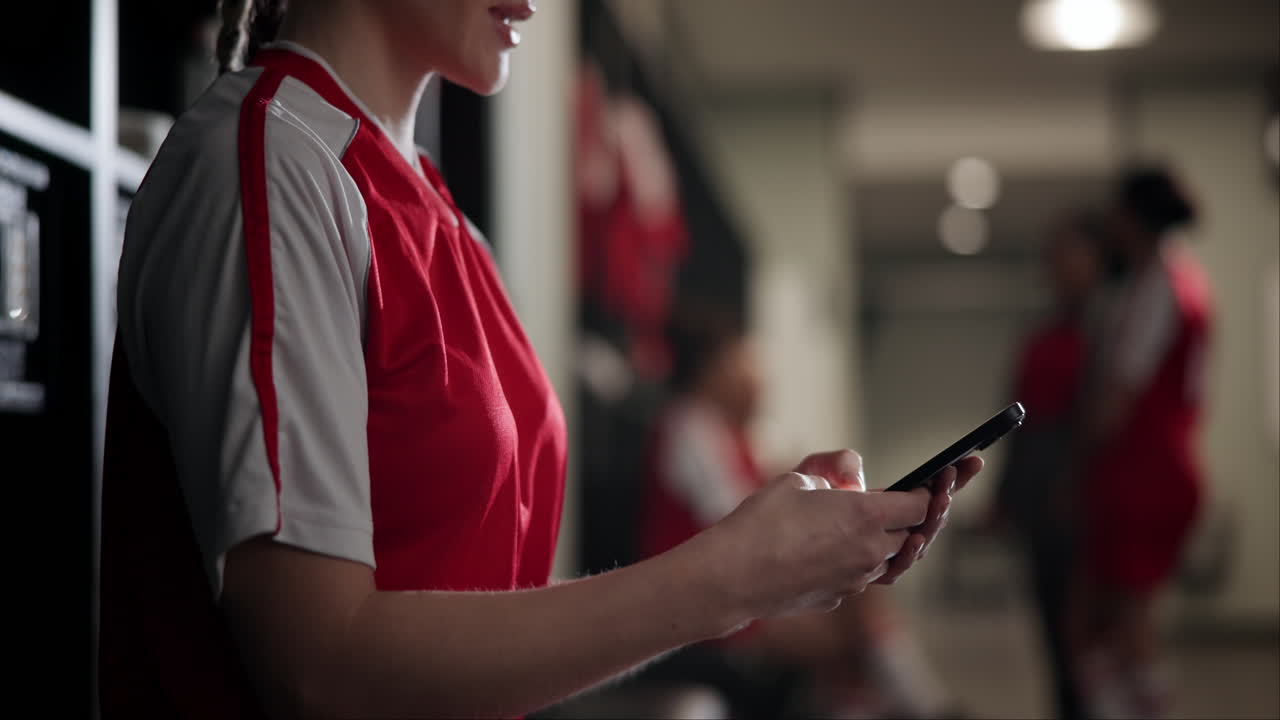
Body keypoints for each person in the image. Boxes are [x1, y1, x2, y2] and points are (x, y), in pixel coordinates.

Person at [97, 1, 981, 717]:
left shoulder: (440, 212)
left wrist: (757, 567)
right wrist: (727, 578)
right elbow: (317, 671)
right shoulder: (269, 162)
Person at [636, 307, 957, 719]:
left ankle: (910, 705)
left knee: (858, 607)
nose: (758, 377)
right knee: (850, 630)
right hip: (707, 595)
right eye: (744, 362)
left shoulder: (729, 434)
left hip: (741, 583)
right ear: (712, 369)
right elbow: (741, 523)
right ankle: (919, 706)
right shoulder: (690, 426)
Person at [1070, 166, 1213, 718]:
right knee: (1106, 623)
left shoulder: (1159, 286)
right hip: (1156, 465)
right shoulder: (1184, 282)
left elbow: (1117, 398)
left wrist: (1077, 460)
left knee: (1125, 625)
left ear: (1132, 217)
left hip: (1143, 472)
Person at [990, 211, 1107, 719]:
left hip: (1087, 497)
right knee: (1054, 631)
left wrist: (1075, 484)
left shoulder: (1111, 331)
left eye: (1070, 254)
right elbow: (1019, 425)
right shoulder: (1042, 334)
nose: (1058, 266)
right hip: (1039, 495)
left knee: (1089, 633)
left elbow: (1102, 421)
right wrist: (1004, 497)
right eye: (1053, 256)